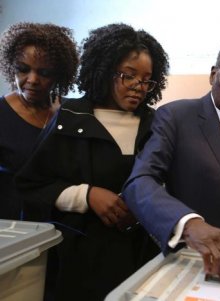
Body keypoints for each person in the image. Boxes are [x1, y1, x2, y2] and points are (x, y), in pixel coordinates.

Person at [15, 23, 170, 301]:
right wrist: (87, 195)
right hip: (82, 261)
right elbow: (32, 186)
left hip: (141, 255)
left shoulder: (154, 123)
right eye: (128, 76)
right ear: (104, 70)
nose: (138, 87)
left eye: (146, 80)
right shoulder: (71, 118)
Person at [122, 42, 220, 282]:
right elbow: (139, 181)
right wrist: (188, 223)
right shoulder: (176, 117)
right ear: (214, 75)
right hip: (187, 260)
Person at [0, 22, 78, 220]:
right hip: (13, 229)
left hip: (62, 226)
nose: (32, 79)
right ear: (12, 67)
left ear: (59, 75)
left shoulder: (71, 112)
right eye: (23, 69)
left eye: (44, 73)